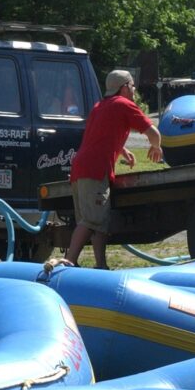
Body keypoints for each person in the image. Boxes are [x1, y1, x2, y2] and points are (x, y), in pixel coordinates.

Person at [64, 70, 163, 269]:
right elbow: (152, 132)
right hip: (95, 170)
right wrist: (156, 146)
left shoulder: (100, 106)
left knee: (99, 221)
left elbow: (100, 136)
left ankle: (101, 265)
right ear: (124, 87)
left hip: (80, 169)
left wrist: (123, 151)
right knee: (91, 219)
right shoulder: (124, 104)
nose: (134, 89)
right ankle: (68, 261)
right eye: (133, 85)